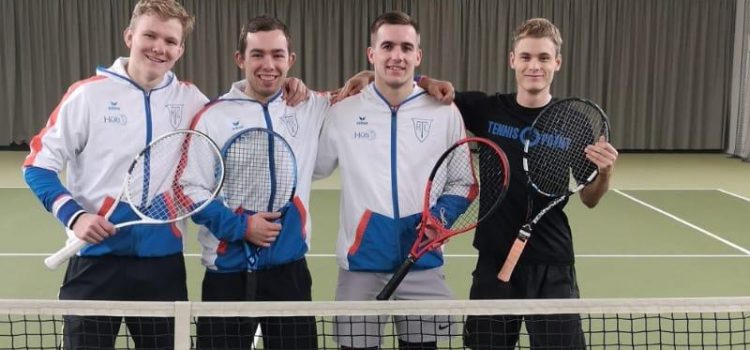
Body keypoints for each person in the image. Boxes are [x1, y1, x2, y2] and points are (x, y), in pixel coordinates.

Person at [337, 18, 619, 350]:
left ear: (556, 63)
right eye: (526, 56)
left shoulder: (573, 120)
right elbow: (418, 90)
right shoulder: (487, 110)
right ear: (512, 59)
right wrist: (375, 77)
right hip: (493, 260)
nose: (534, 66)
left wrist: (605, 173)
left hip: (552, 263)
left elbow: (589, 198)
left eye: (543, 58)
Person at [22, 1, 207, 349]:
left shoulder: (192, 99)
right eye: (149, 35)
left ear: (180, 49)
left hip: (162, 267)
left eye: (170, 40)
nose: (158, 47)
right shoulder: (88, 95)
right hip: (94, 262)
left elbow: (238, 110)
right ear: (129, 36)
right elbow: (37, 165)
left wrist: (297, 90)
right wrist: (74, 216)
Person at [314, 11, 473, 350]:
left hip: (422, 262)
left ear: (418, 55)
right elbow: (312, 167)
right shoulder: (343, 112)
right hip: (360, 265)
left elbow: (463, 182)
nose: (396, 55)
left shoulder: (444, 112)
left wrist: (440, 217)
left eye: (405, 47)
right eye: (387, 46)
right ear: (372, 54)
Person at [190, 15, 327, 350]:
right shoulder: (213, 116)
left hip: (289, 274)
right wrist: (240, 227)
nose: (269, 64)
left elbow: (365, 88)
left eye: (278, 55)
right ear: (240, 59)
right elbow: (190, 190)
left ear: (290, 60)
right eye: (258, 54)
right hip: (227, 274)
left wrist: (420, 80)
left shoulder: (312, 106)